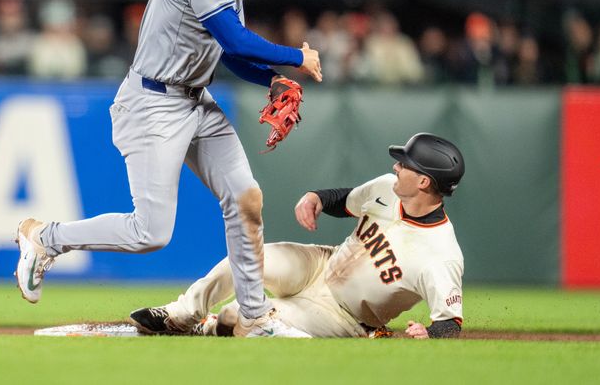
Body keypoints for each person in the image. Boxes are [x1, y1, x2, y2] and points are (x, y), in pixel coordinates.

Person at [14, 0, 322, 338]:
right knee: (150, 232)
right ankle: (45, 238)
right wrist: (296, 58)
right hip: (153, 103)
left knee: (246, 199)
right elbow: (237, 39)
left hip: (197, 99)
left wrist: (271, 79)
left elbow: (231, 54)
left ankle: (256, 318)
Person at [130, 133, 465, 339]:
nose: (396, 166)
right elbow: (345, 200)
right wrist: (317, 198)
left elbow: (449, 322)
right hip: (321, 264)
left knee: (243, 317)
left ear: (424, 182)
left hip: (345, 317)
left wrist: (431, 333)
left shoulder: (441, 254)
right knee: (249, 258)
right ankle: (180, 314)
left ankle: (213, 325)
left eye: (405, 164)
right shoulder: (387, 189)